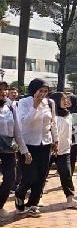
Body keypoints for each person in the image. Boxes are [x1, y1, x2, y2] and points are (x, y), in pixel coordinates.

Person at [14, 78, 58, 217]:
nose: (43, 94)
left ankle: (33, 204)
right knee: (29, 177)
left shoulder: (50, 103)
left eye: (46, 91)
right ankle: (19, 195)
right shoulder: (24, 102)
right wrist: (35, 105)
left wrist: (55, 140)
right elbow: (24, 122)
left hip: (45, 144)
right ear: (34, 90)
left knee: (41, 177)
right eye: (40, 91)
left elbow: (53, 122)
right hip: (28, 144)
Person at [48, 92, 77, 209]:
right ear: (55, 101)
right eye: (63, 99)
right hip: (50, 150)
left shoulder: (68, 114)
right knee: (42, 175)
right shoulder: (50, 115)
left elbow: (69, 131)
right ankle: (36, 199)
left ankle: (70, 199)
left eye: (67, 99)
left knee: (67, 175)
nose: (66, 101)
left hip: (64, 150)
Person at [0, 85, 31, 213]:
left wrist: (25, 151)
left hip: (8, 149)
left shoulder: (11, 108)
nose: (3, 92)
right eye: (0, 90)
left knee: (10, 179)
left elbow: (17, 132)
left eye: (4, 90)